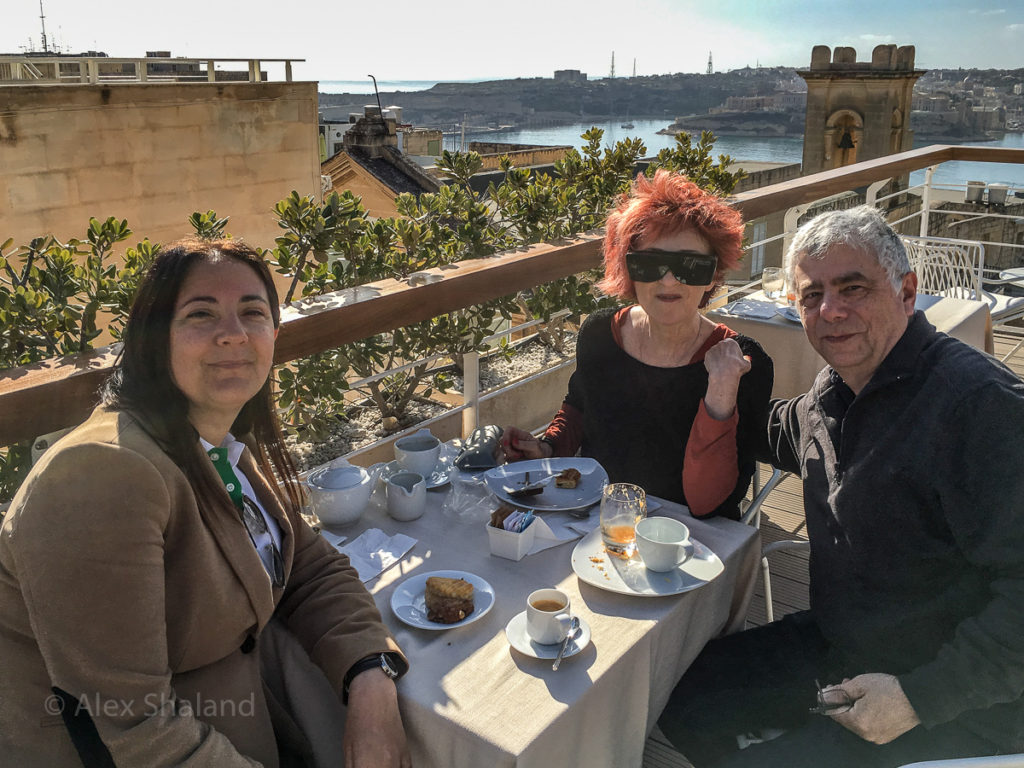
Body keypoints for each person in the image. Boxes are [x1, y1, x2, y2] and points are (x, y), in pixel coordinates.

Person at [0, 239, 412, 767]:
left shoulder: (219, 443)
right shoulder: (102, 473)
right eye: (201, 314)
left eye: (252, 312)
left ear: (274, 334)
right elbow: (133, 724)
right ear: (154, 339)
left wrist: (371, 681)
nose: (233, 334)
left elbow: (309, 567)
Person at [658, 206, 1024, 766]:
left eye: (853, 288)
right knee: (683, 698)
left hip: (953, 694)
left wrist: (919, 698)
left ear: (906, 292)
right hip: (842, 644)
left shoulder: (978, 408)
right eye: (811, 295)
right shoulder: (835, 391)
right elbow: (779, 431)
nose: (831, 311)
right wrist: (711, 387)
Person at [501, 170, 773, 519]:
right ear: (627, 269)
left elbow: (709, 503)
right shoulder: (601, 333)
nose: (669, 279)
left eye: (690, 266)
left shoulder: (744, 363)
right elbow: (580, 409)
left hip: (688, 543)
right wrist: (546, 447)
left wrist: (720, 393)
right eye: (651, 263)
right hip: (594, 524)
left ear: (712, 277)